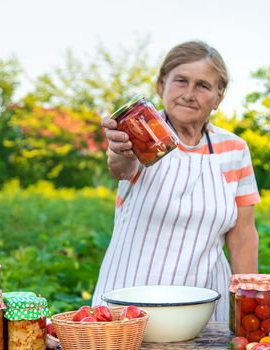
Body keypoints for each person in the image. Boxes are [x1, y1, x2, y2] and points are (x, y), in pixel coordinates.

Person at [93, 40, 260, 325]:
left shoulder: (233, 149)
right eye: (180, 81)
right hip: (129, 304)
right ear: (162, 85)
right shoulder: (142, 133)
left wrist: (251, 306)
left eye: (203, 86)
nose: (189, 94)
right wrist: (120, 150)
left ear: (218, 97)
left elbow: (243, 235)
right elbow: (121, 167)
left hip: (203, 308)